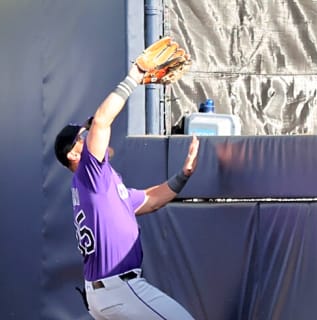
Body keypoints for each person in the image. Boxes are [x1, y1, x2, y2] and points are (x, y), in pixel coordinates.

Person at [54, 62, 199, 319]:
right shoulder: (90, 174)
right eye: (82, 136)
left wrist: (184, 175)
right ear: (74, 153)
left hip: (105, 293)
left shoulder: (102, 185)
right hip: (119, 288)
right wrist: (134, 78)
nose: (88, 138)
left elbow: (151, 200)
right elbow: (102, 120)